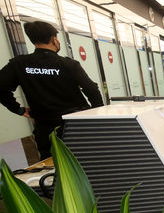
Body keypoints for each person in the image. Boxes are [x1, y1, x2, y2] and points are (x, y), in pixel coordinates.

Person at [0, 21, 103, 159]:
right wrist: (96, 114)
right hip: (75, 127)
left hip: (45, 129)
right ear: (54, 40)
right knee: (84, 162)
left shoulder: (19, 64)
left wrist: (18, 109)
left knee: (51, 167)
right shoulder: (68, 64)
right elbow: (91, 89)